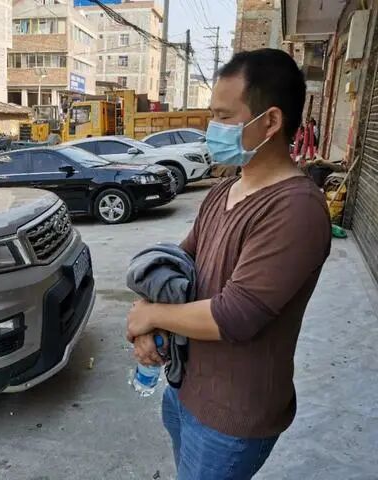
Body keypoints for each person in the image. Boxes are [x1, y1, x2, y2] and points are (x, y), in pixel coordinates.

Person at [126, 49, 331, 480]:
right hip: (185, 391)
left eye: (223, 117)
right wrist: (149, 318)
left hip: (231, 418)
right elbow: (179, 262)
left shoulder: (295, 209)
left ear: (270, 122)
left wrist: (151, 314)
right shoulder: (224, 191)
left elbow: (235, 316)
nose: (211, 129)